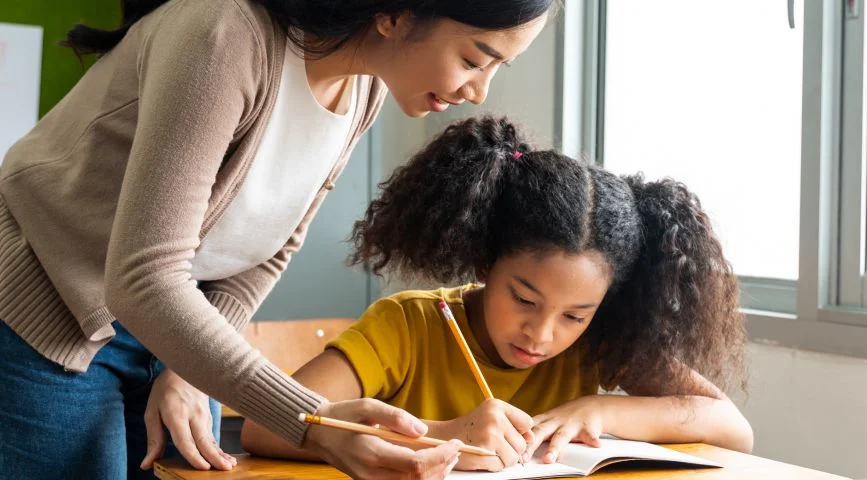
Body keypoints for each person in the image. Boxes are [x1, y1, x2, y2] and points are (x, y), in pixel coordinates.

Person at [0, 1, 552, 478]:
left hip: (174, 322)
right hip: (47, 309)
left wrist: (189, 368)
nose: (479, 91)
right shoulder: (224, 35)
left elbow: (268, 249)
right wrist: (315, 422)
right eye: (474, 59)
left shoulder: (362, 91)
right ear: (395, 15)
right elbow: (144, 277)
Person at [240, 116, 754, 472]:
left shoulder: (599, 343)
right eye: (524, 300)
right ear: (486, 260)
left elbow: (732, 428)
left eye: (575, 315)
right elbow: (265, 428)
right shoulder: (410, 326)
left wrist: (600, 409)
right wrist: (443, 434)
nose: (542, 333)